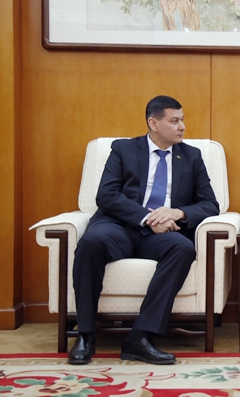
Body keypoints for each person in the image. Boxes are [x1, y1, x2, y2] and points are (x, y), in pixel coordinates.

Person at [68, 95, 220, 365]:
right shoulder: (123, 149)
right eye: (174, 121)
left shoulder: (191, 156)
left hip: (161, 236)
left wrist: (178, 212)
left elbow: (210, 204)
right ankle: (86, 335)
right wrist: (148, 218)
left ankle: (140, 337)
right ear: (153, 123)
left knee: (183, 248)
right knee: (91, 242)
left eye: (182, 120)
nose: (182, 127)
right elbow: (106, 196)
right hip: (119, 227)